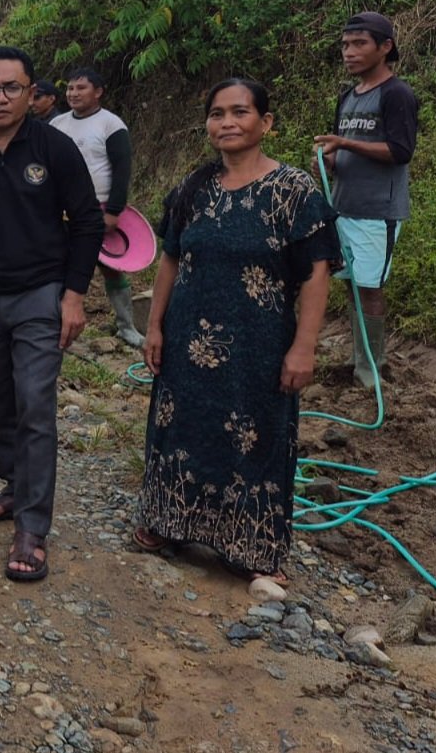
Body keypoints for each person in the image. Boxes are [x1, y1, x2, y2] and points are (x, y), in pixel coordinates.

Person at [137, 78, 339, 583]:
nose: (226, 122)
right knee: (178, 426)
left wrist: (304, 347)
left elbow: (317, 274)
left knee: (257, 438)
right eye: (216, 114)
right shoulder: (193, 189)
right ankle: (168, 521)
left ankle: (251, 545)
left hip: (259, 345)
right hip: (185, 340)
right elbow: (170, 260)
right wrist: (154, 327)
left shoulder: (295, 193)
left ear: (265, 123)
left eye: (240, 112)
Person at [0, 46, 105, 581]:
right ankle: (13, 484)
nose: (0, 98)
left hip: (40, 295)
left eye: (12, 88)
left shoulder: (54, 147)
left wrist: (73, 295)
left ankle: (32, 524)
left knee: (34, 403)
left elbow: (87, 223)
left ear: (32, 94)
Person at [313, 12, 419, 389]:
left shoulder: (396, 94)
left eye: (359, 44)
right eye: (345, 45)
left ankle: (373, 369)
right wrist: (329, 161)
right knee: (352, 282)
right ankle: (360, 360)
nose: (349, 52)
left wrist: (343, 144)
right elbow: (346, 155)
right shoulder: (348, 96)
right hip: (343, 206)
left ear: (385, 47)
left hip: (377, 211)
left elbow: (400, 150)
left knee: (370, 286)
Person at [52, 67, 144, 348]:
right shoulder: (57, 124)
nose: (73, 93)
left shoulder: (111, 125)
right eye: (69, 88)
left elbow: (121, 170)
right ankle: (55, 323)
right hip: (61, 208)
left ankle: (126, 325)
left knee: (112, 269)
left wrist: (113, 211)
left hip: (99, 208)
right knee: (58, 264)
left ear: (98, 92)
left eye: (81, 88)